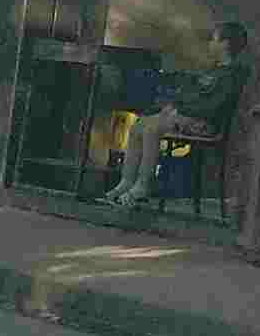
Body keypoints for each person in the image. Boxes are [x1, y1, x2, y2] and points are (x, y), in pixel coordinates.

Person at [104, 17, 250, 220]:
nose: (210, 43)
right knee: (139, 125)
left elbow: (213, 107)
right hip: (188, 117)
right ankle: (127, 181)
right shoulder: (215, 71)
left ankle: (143, 186)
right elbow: (193, 94)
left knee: (152, 128)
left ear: (225, 44)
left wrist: (180, 110)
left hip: (204, 124)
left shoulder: (231, 76)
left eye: (213, 39)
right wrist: (175, 105)